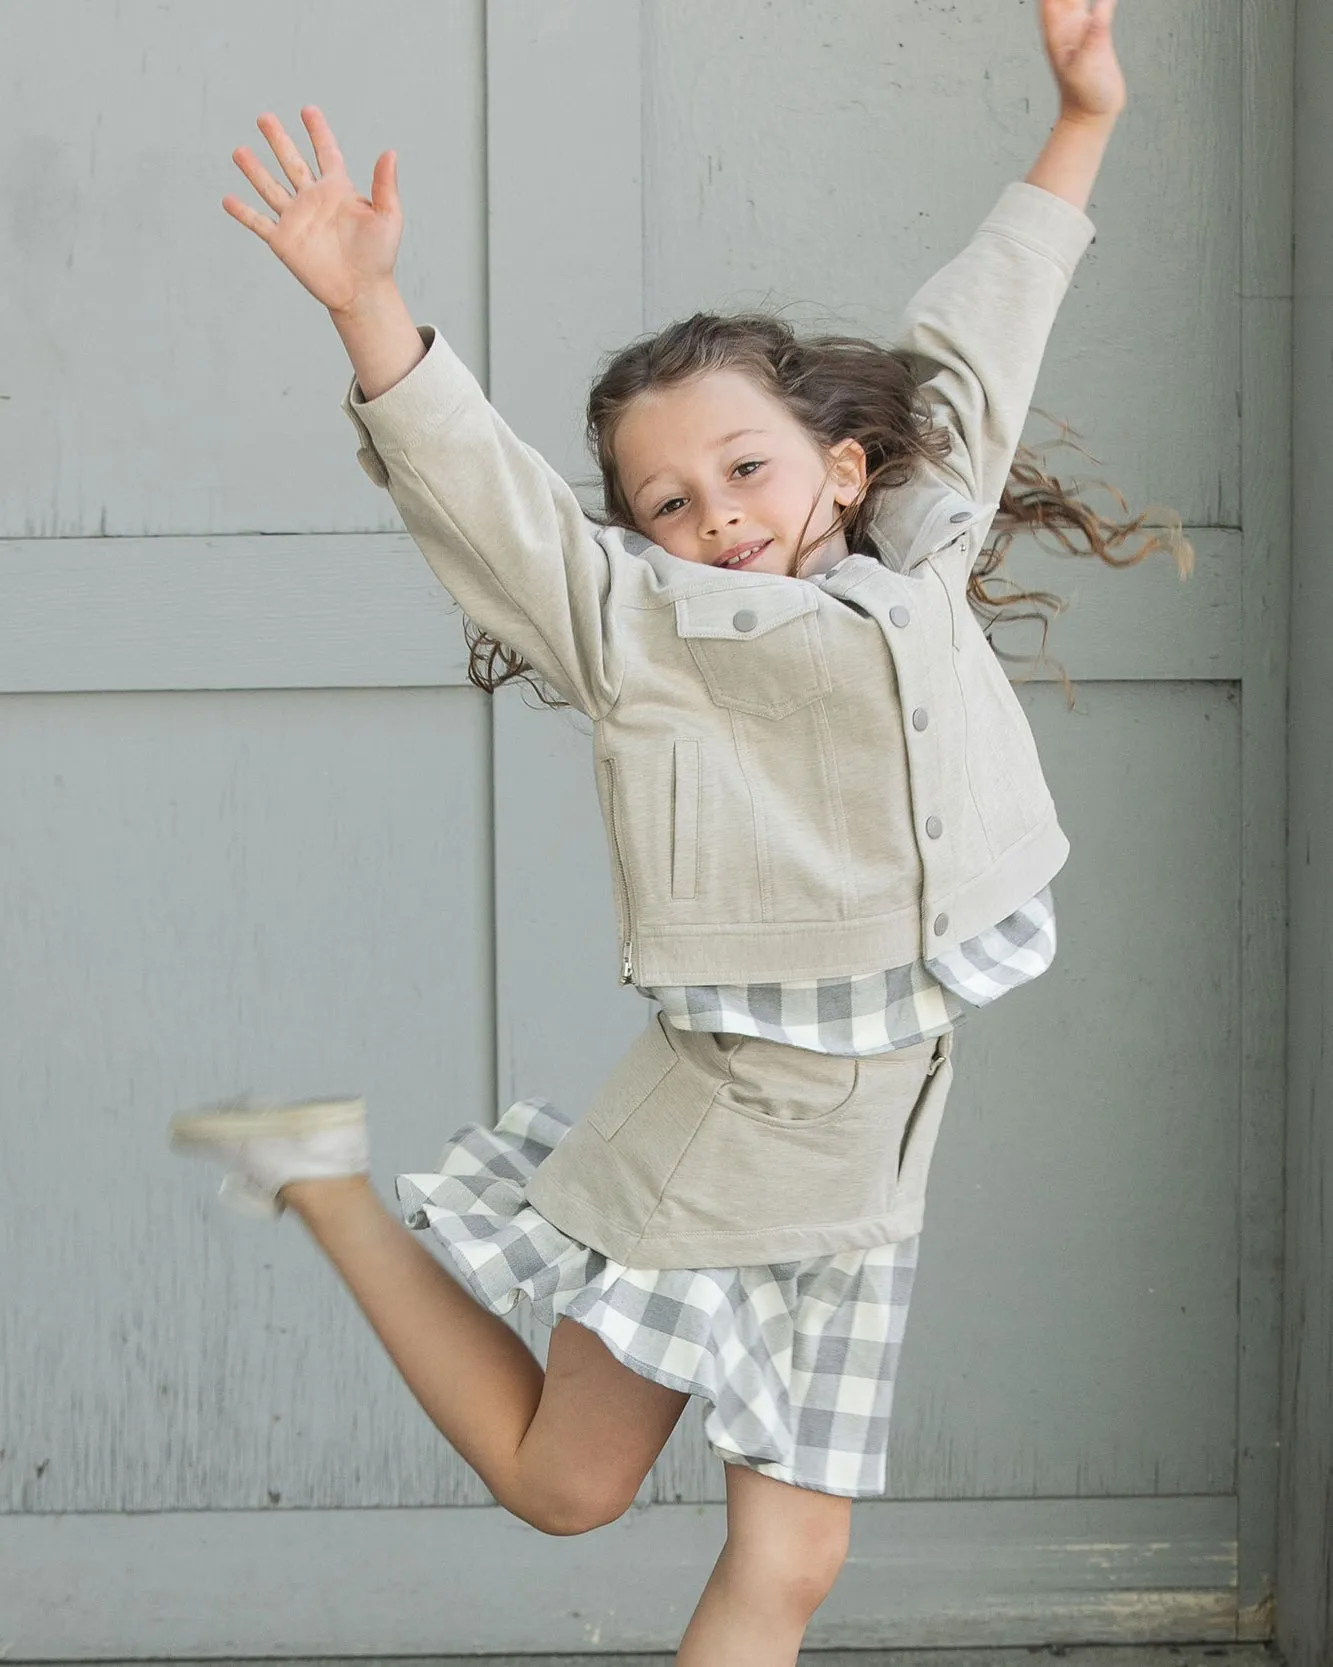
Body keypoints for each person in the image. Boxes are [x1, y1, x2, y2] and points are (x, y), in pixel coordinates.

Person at [172, 2, 1188, 1660]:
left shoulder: (920, 552)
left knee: (789, 1570)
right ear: (638, 539)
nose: (719, 514)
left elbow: (988, 327)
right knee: (567, 1487)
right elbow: (488, 505)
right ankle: (325, 1180)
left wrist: (1082, 113)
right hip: (733, 1148)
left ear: (843, 469)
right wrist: (368, 304)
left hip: (877, 1165)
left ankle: (320, 1172)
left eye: (747, 468)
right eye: (667, 500)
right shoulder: (646, 634)